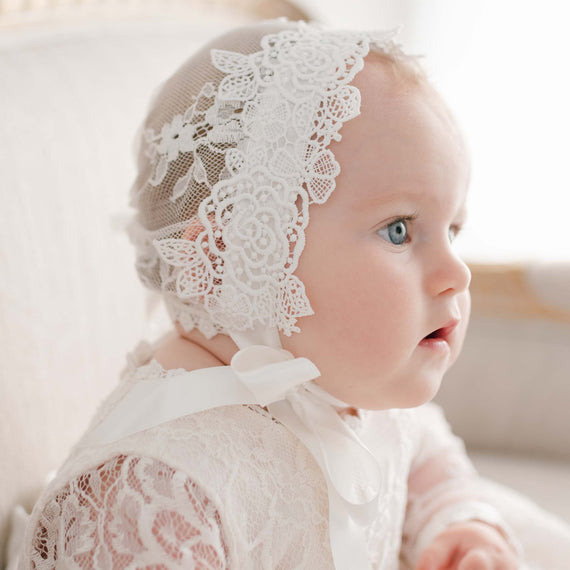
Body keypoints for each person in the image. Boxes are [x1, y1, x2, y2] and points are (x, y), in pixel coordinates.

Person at [13, 19, 570, 570]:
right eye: (399, 229)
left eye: (453, 231)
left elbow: (426, 456)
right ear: (230, 260)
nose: (457, 273)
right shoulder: (162, 486)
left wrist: (459, 524)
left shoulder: (348, 389)